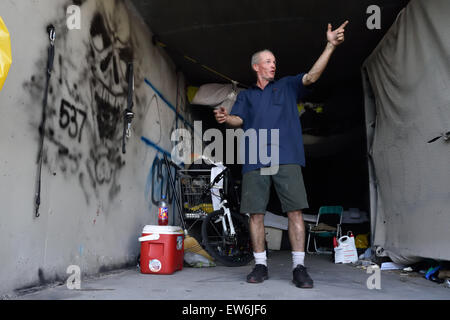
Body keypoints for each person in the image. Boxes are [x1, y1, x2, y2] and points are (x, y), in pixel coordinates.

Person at [214, 21, 349, 288]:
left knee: (295, 212)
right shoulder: (246, 96)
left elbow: (311, 76)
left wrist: (330, 46)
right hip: (255, 160)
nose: (273, 64)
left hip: (286, 157)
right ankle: (260, 265)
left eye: (274, 61)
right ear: (256, 67)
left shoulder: (287, 85)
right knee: (255, 214)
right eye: (268, 61)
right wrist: (225, 117)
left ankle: (299, 268)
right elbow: (238, 120)